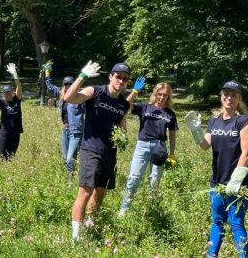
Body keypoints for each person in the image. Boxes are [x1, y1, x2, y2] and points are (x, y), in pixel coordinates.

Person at [61, 61, 132, 240]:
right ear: (111, 76)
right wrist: (82, 76)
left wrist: (123, 136)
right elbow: (69, 98)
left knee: (100, 193)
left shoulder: (123, 104)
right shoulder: (96, 92)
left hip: (110, 153)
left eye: (125, 79)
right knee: (85, 192)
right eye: (118, 76)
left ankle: (90, 225)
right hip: (91, 150)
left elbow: (121, 124)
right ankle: (75, 238)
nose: (121, 81)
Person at [185, 80, 248, 257]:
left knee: (236, 223)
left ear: (239, 99)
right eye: (226, 94)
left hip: (240, 184)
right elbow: (205, 145)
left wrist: (236, 181)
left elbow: (246, 154)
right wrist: (196, 131)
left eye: (234, 95)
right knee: (217, 221)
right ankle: (212, 255)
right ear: (221, 96)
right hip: (217, 182)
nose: (229, 98)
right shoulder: (214, 121)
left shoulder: (244, 121)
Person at [119, 80, 177, 214]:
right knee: (134, 177)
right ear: (155, 94)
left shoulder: (170, 114)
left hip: (160, 148)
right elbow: (125, 106)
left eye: (165, 95)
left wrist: (172, 154)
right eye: (159, 94)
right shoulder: (145, 107)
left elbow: (172, 135)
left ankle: (152, 209)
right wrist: (134, 92)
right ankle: (124, 210)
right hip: (142, 146)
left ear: (168, 97)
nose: (161, 97)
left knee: (155, 180)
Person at [44, 63, 81, 173]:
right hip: (65, 129)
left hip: (76, 131)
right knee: (66, 157)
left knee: (70, 159)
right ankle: (71, 176)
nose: (68, 86)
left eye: (70, 84)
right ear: (63, 85)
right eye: (66, 84)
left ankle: (70, 179)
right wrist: (47, 72)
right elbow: (50, 87)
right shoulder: (62, 95)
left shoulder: (80, 97)